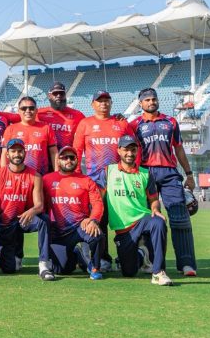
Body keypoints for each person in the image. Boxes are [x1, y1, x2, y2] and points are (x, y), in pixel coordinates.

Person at [130, 87, 197, 277]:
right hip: (145, 173)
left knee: (179, 217)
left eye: (154, 99)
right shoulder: (134, 125)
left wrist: (189, 174)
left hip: (169, 173)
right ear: (140, 103)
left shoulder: (170, 122)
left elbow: (179, 149)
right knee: (150, 219)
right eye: (147, 100)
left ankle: (186, 264)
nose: (151, 102)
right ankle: (151, 262)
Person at [95, 135, 173, 286]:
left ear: (137, 151)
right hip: (123, 230)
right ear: (119, 150)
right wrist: (93, 218)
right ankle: (142, 253)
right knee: (129, 272)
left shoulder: (145, 173)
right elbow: (98, 197)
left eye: (133, 150)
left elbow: (154, 199)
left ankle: (158, 272)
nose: (130, 153)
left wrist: (155, 209)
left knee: (158, 222)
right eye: (126, 150)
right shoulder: (108, 171)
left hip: (142, 219)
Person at [72, 90, 134, 271]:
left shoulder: (121, 123)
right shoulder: (85, 124)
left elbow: (134, 147)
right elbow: (76, 152)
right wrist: (77, 176)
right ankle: (103, 258)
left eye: (107, 100)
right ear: (93, 104)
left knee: (125, 218)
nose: (103, 103)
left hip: (120, 179)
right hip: (95, 182)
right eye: (99, 101)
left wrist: (132, 172)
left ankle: (126, 256)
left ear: (111, 103)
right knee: (100, 218)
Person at [0, 139, 55, 280]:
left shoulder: (35, 176)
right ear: (7, 154)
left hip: (24, 220)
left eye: (20, 151)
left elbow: (39, 205)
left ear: (25, 153)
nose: (17, 154)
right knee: (9, 269)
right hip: (5, 223)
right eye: (13, 151)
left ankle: (43, 265)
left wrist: (32, 211)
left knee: (44, 220)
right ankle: (13, 255)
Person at [43, 146, 105, 280]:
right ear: (58, 160)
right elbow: (42, 206)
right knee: (61, 269)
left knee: (97, 235)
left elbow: (97, 204)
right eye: (64, 157)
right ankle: (79, 255)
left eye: (72, 157)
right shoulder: (47, 179)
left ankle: (95, 267)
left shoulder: (86, 180)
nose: (68, 160)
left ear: (77, 160)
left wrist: (93, 220)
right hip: (58, 231)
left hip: (80, 226)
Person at [2, 96, 57, 176]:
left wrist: (56, 174)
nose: (28, 111)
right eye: (24, 108)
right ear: (19, 111)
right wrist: (4, 175)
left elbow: (54, 153)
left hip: (41, 176)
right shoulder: (10, 129)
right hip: (17, 176)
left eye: (31, 108)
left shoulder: (46, 128)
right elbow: (4, 154)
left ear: (36, 110)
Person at [36, 82, 85, 150]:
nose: (58, 96)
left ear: (65, 95)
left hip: (66, 154)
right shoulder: (39, 113)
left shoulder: (77, 115)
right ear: (49, 95)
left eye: (61, 93)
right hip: (46, 154)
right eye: (55, 93)